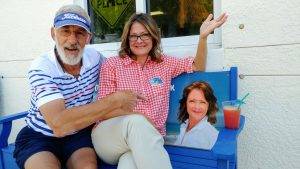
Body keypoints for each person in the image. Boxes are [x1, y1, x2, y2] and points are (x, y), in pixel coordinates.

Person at [13, 4, 143, 169]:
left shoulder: (95, 58)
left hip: (79, 134)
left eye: (80, 32)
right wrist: (115, 100)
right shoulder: (41, 67)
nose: (72, 40)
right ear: (53, 33)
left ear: (88, 37)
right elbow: (59, 125)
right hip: (39, 136)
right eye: (65, 31)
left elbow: (121, 70)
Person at [92, 13, 227, 169]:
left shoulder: (164, 64)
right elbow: (102, 110)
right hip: (110, 138)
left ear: (154, 36)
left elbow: (197, 66)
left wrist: (202, 38)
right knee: (137, 123)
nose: (139, 40)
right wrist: (139, 116)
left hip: (146, 143)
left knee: (129, 163)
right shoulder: (112, 65)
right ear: (127, 39)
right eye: (133, 36)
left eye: (144, 35)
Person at [174, 81, 219, 150]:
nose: (197, 107)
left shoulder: (211, 135)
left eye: (202, 102)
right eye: (192, 101)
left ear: (209, 105)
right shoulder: (184, 126)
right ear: (185, 103)